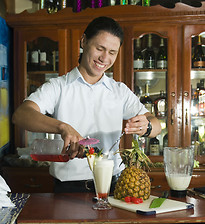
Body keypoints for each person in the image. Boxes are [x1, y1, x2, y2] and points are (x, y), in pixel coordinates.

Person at [12, 16, 161, 193]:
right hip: (68, 190)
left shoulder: (119, 91)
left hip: (112, 186)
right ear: (84, 41)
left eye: (112, 53)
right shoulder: (58, 86)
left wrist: (147, 125)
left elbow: (156, 125)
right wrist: (62, 127)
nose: (104, 58)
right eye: (100, 48)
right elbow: (21, 115)